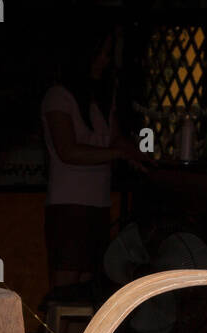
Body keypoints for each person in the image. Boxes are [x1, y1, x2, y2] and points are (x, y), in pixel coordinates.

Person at [40, 22, 146, 307]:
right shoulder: (58, 97)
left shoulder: (99, 101)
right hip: (69, 207)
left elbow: (114, 138)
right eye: (101, 53)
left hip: (98, 207)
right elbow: (69, 151)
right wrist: (117, 154)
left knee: (89, 292)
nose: (105, 61)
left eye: (108, 54)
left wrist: (138, 155)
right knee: (64, 294)